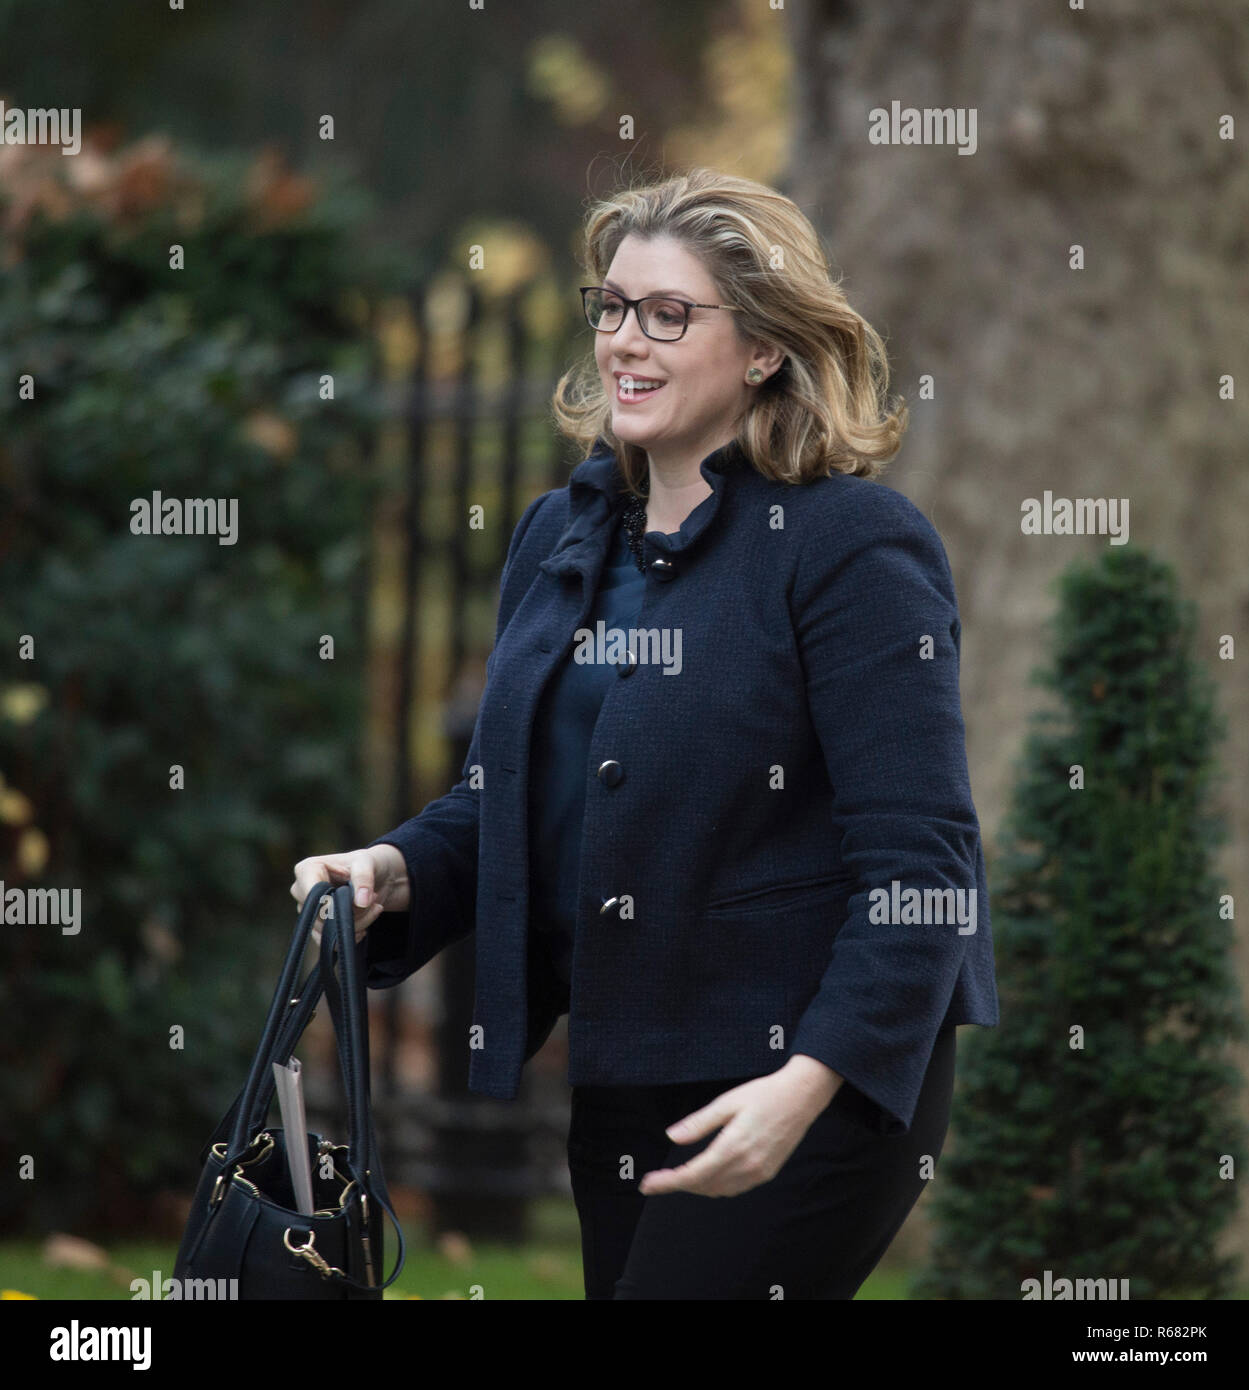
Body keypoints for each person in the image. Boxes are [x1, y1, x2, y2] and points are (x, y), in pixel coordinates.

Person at [292, 167, 998, 1299]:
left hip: (811, 1079)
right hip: (628, 1067)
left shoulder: (853, 546)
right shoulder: (564, 532)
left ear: (763, 347)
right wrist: (390, 869)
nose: (627, 339)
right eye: (613, 307)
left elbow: (924, 867)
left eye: (670, 315)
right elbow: (504, 796)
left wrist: (809, 1081)